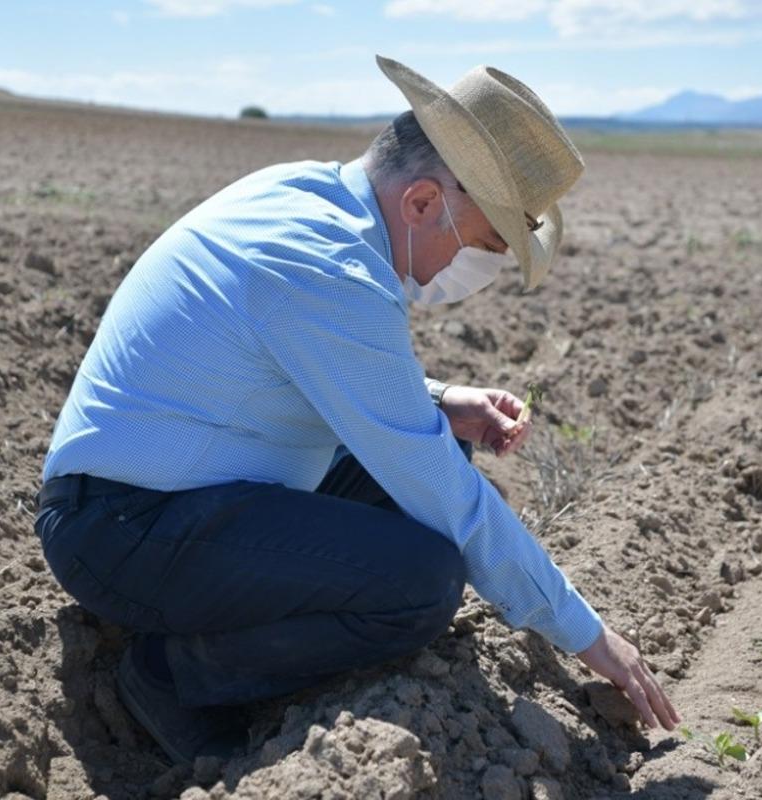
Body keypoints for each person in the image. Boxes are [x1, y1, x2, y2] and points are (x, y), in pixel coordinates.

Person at [34, 55, 679, 765]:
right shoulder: (330, 268)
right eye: (489, 244)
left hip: (178, 493)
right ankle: (169, 679)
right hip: (125, 528)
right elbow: (446, 496)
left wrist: (437, 401)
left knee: (436, 461)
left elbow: (300, 361)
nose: (477, 272)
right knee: (421, 581)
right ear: (424, 203)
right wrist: (587, 633)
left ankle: (229, 630)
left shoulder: (302, 195)